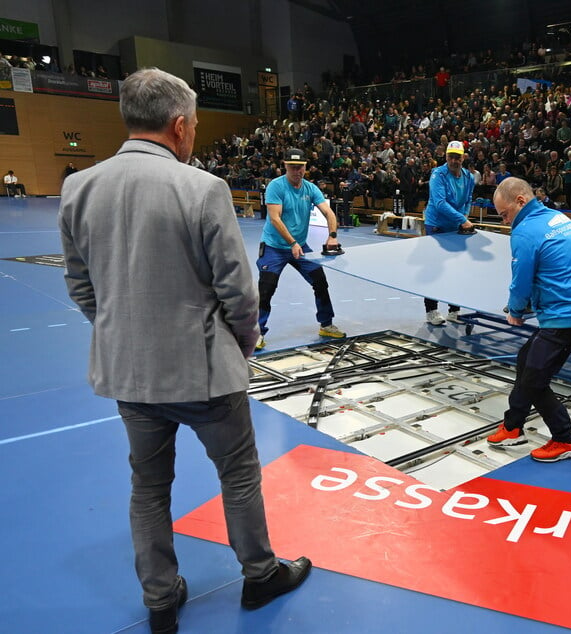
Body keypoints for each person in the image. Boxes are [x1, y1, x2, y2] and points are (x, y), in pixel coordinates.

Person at [58, 68, 311, 634]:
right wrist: (240, 345)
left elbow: (81, 288)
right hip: (205, 373)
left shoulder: (79, 188)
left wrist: (122, 331)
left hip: (130, 376)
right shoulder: (202, 189)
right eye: (193, 124)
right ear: (179, 126)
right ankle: (260, 573)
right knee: (239, 474)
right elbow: (239, 294)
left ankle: (159, 598)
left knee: (147, 486)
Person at [486, 177, 571, 462]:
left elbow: (521, 279)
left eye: (505, 214)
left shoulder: (524, 231)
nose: (504, 221)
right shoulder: (558, 217)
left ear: (521, 201)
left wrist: (515, 310)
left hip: (566, 317)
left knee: (534, 378)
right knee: (526, 360)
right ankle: (513, 426)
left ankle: (564, 440)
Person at [256, 147, 346, 350]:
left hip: (300, 246)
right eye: (293, 167)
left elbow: (329, 213)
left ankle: (326, 324)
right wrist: (292, 243)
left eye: (300, 167)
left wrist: (332, 236)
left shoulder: (310, 189)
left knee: (320, 282)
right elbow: (275, 218)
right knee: (266, 288)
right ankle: (257, 332)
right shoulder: (275, 187)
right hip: (274, 246)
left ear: (306, 167)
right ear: (285, 166)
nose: (297, 171)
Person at [422, 140, 474, 325]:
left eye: (457, 157)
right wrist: (463, 220)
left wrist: (464, 217)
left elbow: (468, 199)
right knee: (434, 268)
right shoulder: (438, 175)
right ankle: (431, 311)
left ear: (463, 158)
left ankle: (454, 310)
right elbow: (439, 203)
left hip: (456, 225)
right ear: (445, 157)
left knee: (456, 269)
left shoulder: (469, 177)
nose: (454, 160)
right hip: (437, 225)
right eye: (450, 157)